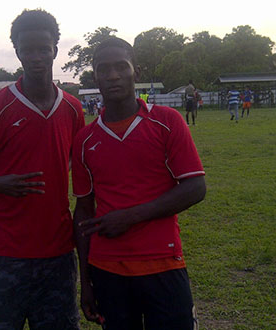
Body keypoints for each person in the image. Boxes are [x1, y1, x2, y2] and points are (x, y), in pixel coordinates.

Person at [0, 9, 84, 330]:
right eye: (28, 50)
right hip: (7, 254)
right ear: (17, 52)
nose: (37, 57)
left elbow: (82, 173)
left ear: (55, 48)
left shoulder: (72, 108)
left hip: (59, 253)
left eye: (44, 49)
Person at [72, 37, 206, 330]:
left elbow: (196, 187)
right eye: (103, 69)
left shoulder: (167, 121)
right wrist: (85, 280)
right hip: (107, 269)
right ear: (94, 76)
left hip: (164, 263)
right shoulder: (84, 140)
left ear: (137, 72)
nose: (113, 75)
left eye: (121, 66)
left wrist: (131, 217)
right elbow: (83, 211)